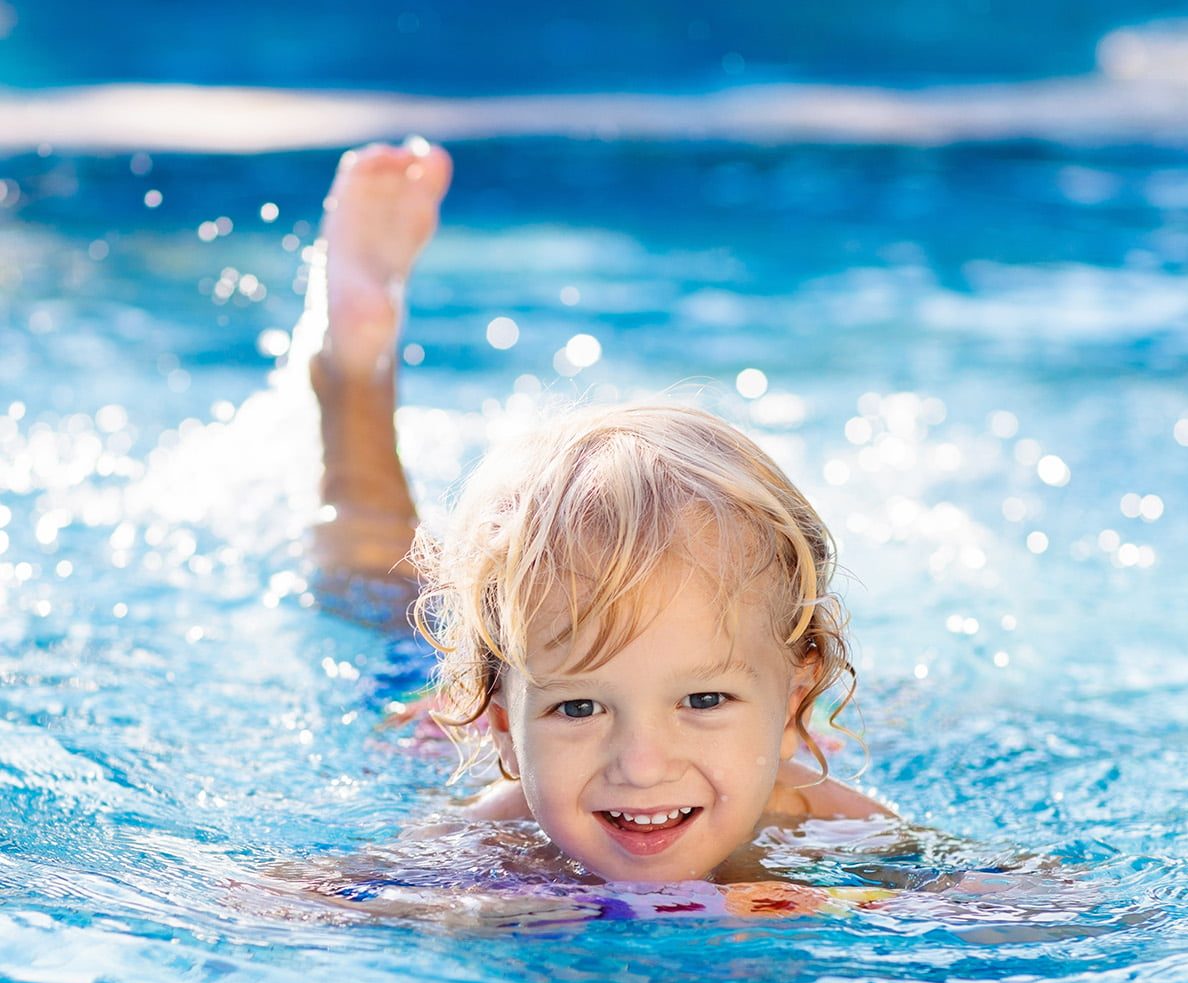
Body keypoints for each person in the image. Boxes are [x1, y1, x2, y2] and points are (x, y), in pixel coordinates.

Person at [305, 139, 894, 888]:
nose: (642, 765)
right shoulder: (495, 833)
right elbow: (291, 902)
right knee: (377, 585)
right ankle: (352, 372)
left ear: (794, 704)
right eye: (579, 707)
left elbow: (1033, 907)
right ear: (501, 731)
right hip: (436, 707)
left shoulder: (831, 825)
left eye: (705, 699)